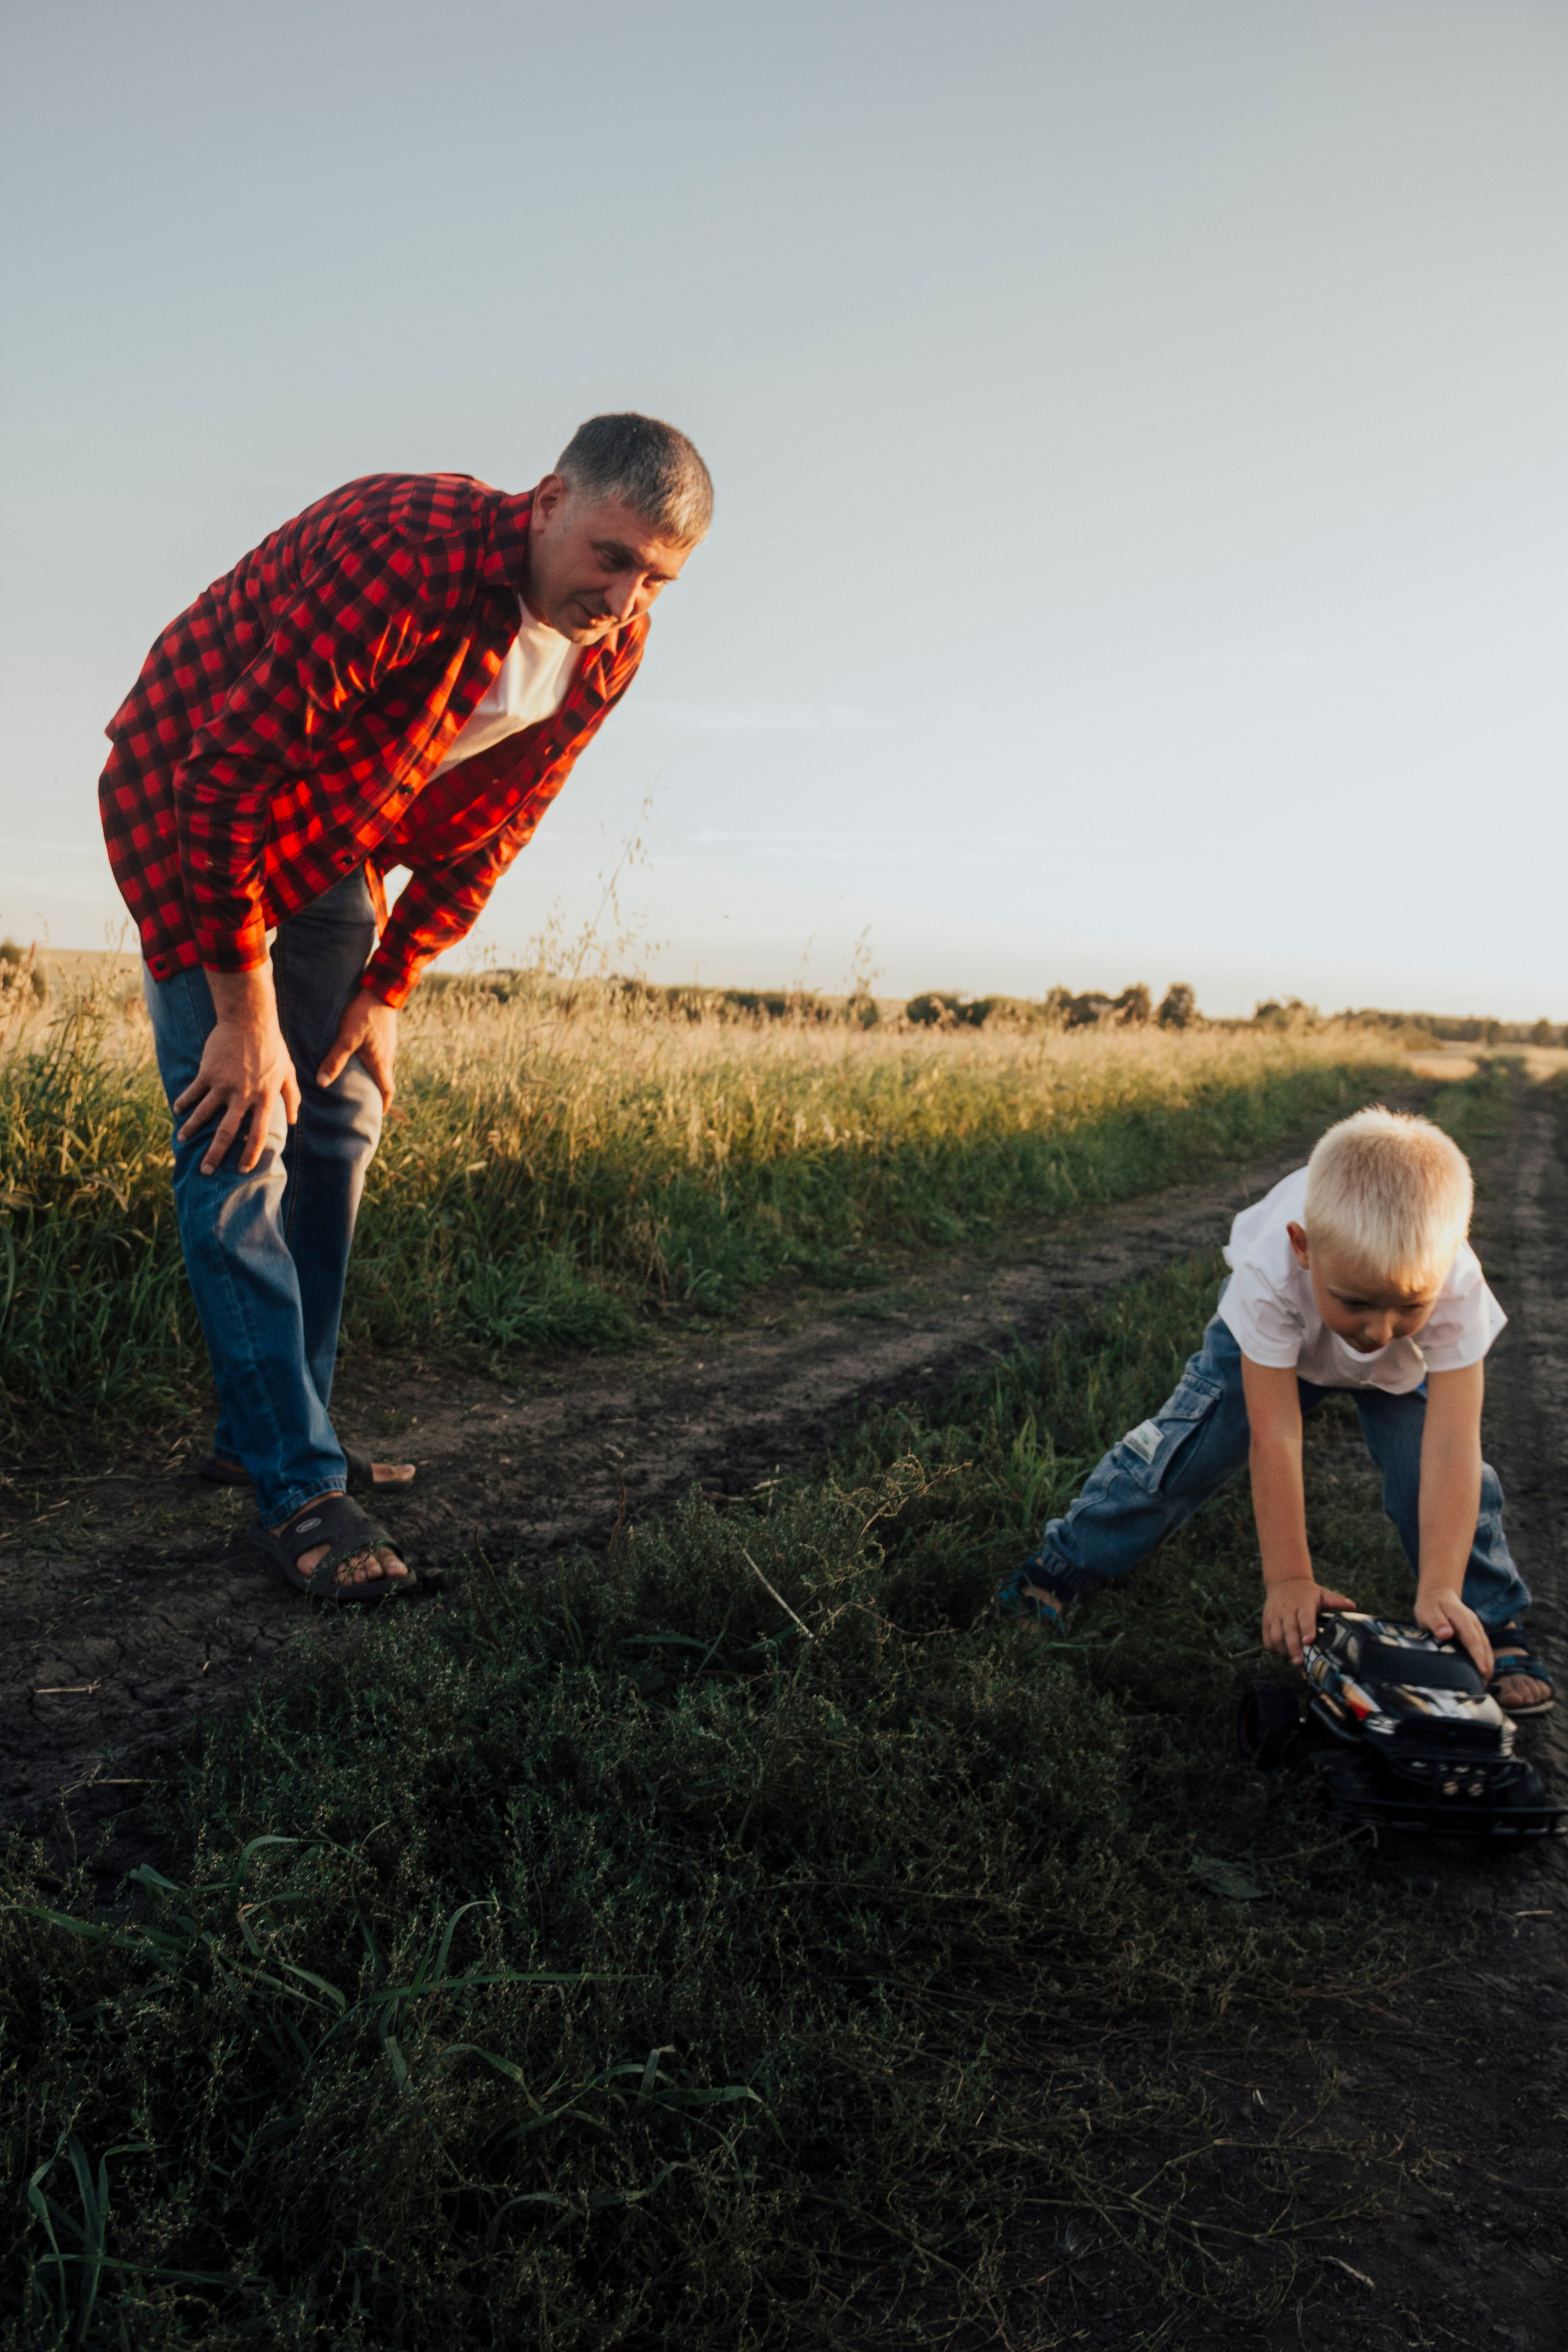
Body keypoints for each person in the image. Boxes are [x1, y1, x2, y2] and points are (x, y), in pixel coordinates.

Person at [100, 413, 712, 1603]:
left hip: (333, 841)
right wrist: (243, 1012)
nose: (624, 596)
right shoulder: (403, 551)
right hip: (192, 802)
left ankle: (284, 1423)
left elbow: (503, 817)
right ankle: (297, 1488)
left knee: (343, 1120)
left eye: (656, 580)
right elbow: (223, 779)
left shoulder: (609, 647)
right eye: (609, 555)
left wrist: (388, 985)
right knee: (241, 1129)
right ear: (545, 502)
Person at [997, 1107, 1554, 1717]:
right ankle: (1057, 1570)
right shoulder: (1269, 1272)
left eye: (1408, 1306)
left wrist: (1439, 1584)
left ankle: (1488, 1621)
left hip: (1405, 1378)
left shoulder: (1454, 1287)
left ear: (1443, 1270)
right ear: (1304, 1247)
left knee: (1441, 1479)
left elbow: (1452, 1446)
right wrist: (1288, 1579)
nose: (1378, 1330)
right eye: (1356, 1302)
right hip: (1271, 1346)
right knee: (1185, 1453)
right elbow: (1276, 1435)